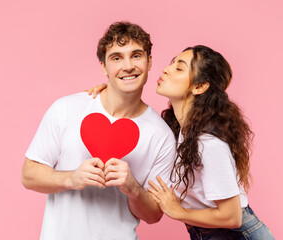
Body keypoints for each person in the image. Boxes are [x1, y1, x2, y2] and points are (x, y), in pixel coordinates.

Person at [88, 45, 274, 239]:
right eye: (172, 63)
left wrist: (177, 212)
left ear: (199, 87)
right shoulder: (179, 131)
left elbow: (232, 217)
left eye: (179, 68)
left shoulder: (208, 143)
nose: (166, 69)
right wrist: (109, 94)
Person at [22, 22, 176, 240]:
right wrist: (72, 178)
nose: (128, 66)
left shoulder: (162, 136)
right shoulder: (66, 108)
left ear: (149, 61)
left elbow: (154, 215)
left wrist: (132, 187)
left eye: (136, 55)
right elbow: (28, 175)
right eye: (116, 58)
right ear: (104, 66)